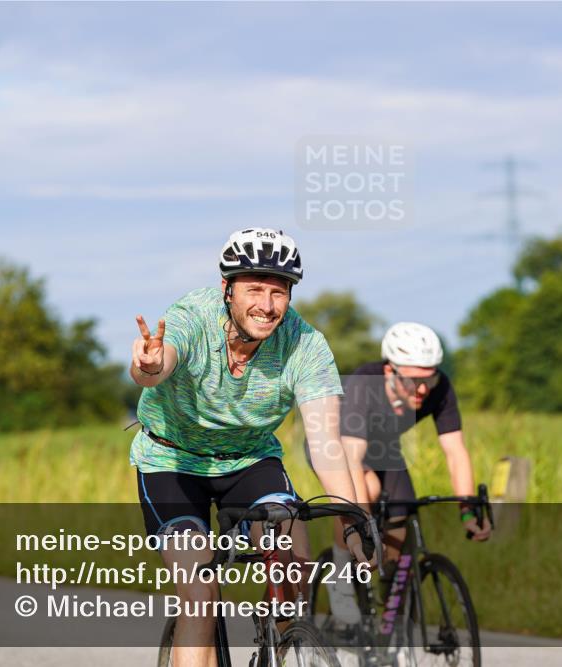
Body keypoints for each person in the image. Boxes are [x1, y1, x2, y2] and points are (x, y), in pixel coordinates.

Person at [129, 227, 368, 667]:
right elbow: (159, 363)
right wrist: (148, 365)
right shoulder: (192, 316)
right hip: (173, 463)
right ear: (227, 289)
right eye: (254, 289)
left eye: (279, 292)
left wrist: (353, 516)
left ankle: (280, 644)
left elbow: (326, 443)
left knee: (293, 567)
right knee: (200, 594)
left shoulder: (306, 345)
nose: (267, 305)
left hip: (250, 459)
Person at [326, 322, 492, 624]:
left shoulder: (439, 388)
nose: (422, 390)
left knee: (401, 516)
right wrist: (362, 522)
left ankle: (391, 615)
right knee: (368, 489)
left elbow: (455, 452)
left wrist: (468, 510)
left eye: (429, 379)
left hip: (384, 448)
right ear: (390, 372)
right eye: (413, 381)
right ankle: (339, 577)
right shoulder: (366, 382)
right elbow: (351, 459)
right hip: (337, 444)